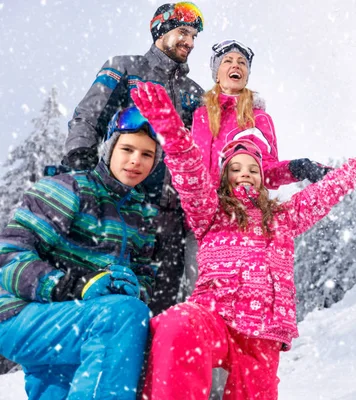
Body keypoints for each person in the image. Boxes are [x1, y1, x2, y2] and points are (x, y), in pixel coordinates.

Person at [131, 81, 356, 399]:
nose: (245, 173)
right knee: (176, 325)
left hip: (262, 335)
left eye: (253, 169)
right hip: (213, 315)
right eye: (236, 168)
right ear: (225, 176)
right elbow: (190, 172)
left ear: (263, 178)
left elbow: (325, 193)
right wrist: (172, 131)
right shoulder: (210, 211)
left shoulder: (282, 217)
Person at [0, 107, 161, 399]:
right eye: (127, 149)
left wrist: (136, 289)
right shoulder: (70, 188)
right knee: (124, 316)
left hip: (72, 326)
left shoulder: (141, 215)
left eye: (147, 154)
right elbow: (9, 256)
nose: (136, 160)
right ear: (109, 148)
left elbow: (146, 275)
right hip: (20, 313)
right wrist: (74, 284)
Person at [63, 2, 205, 315]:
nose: (190, 42)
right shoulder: (125, 68)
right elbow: (89, 115)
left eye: (194, 36)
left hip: (172, 216)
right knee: (116, 298)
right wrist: (79, 156)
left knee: (162, 305)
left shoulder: (195, 91)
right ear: (160, 30)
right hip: (123, 206)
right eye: (183, 32)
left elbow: (209, 145)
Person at [194, 39, 333, 189]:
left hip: (235, 207)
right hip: (194, 207)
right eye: (227, 61)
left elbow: (265, 171)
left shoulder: (256, 117)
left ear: (246, 77)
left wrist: (296, 168)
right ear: (216, 75)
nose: (235, 65)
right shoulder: (199, 114)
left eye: (242, 63)